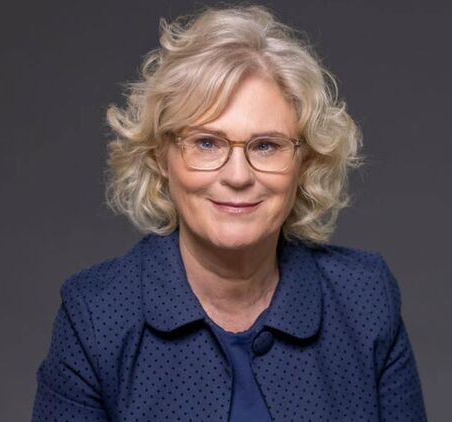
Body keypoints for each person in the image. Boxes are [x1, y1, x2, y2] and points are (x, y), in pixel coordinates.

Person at [32, 5, 427, 421]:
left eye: (266, 145)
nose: (238, 176)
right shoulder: (97, 315)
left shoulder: (365, 299)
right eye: (207, 143)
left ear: (305, 163)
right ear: (160, 156)